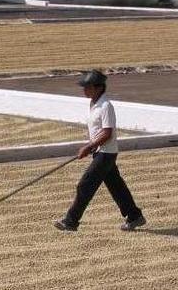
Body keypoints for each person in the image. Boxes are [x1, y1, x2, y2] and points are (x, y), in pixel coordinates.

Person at [54, 70, 146, 232]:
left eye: (87, 87)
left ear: (98, 88)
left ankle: (71, 221)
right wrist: (91, 145)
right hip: (101, 151)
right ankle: (134, 216)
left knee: (85, 184)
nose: (84, 90)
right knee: (116, 186)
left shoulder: (105, 106)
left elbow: (107, 132)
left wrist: (89, 147)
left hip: (106, 153)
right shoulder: (94, 104)